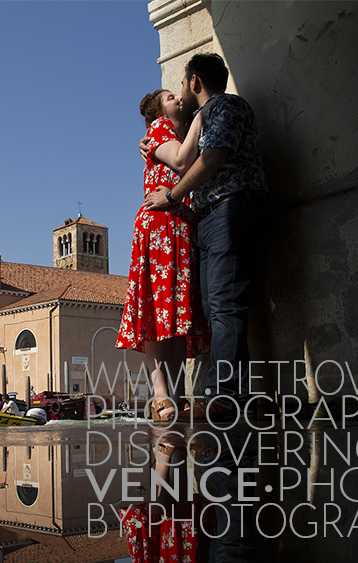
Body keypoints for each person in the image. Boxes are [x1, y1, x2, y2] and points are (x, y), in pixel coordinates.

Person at [143, 53, 268, 422]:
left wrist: (171, 195)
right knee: (219, 309)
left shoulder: (223, 108)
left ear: (195, 81)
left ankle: (222, 396)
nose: (180, 93)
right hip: (215, 216)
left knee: (224, 306)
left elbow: (211, 158)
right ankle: (232, 396)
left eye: (181, 84)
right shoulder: (202, 118)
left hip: (228, 210)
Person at [116, 88, 211, 423]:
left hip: (179, 228)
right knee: (159, 312)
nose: (178, 99)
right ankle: (160, 394)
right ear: (158, 111)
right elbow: (183, 162)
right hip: (161, 228)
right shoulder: (159, 129)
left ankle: (172, 394)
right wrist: (201, 114)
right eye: (171, 96)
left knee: (173, 316)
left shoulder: (178, 134)